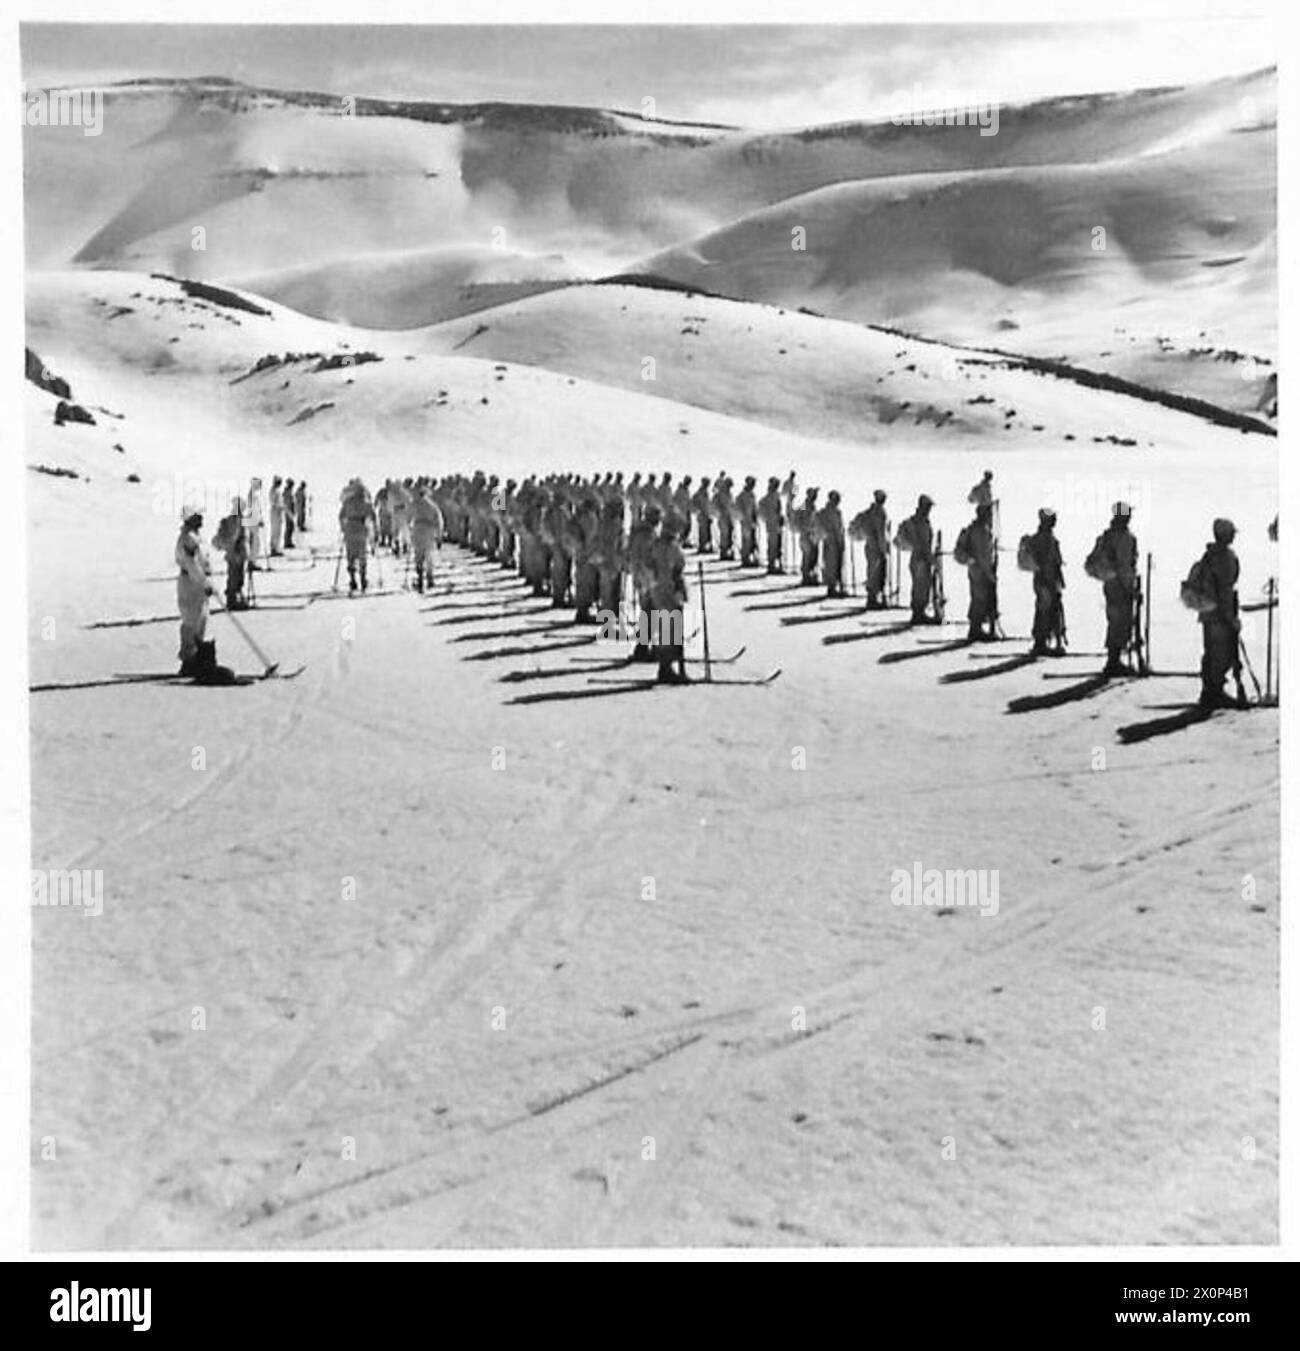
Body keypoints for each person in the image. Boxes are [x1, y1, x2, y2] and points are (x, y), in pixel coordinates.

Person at [1085, 502, 1139, 675]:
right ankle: (1113, 662)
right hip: (1121, 586)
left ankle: (1114, 659)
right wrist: (1130, 588)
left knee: (1114, 620)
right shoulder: (1124, 538)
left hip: (1110, 583)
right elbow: (1124, 565)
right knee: (1121, 623)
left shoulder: (1107, 535)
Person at [1195, 518, 1242, 709]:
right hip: (1220, 613)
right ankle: (1215, 692)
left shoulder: (1209, 555)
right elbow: (1224, 589)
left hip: (1208, 612)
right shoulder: (1225, 557)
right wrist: (1230, 618)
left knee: (1211, 653)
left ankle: (1210, 691)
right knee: (1221, 654)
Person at [648, 512, 689, 684]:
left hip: (658, 589)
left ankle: (667, 666)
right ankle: (666, 668)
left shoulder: (656, 544)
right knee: (670, 629)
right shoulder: (671, 546)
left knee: (667, 627)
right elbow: (677, 569)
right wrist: (680, 590)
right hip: (669, 590)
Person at [1020, 509, 1065, 655]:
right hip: (1045, 580)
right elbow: (1049, 562)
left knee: (1047, 609)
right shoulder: (1045, 540)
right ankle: (1040, 642)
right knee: (1045, 610)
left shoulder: (1044, 538)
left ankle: (1043, 641)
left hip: (1045, 580)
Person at [176, 506, 213, 674]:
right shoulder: (188, 539)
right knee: (191, 619)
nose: (201, 519)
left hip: (199, 582)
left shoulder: (196, 538)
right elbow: (192, 564)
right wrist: (203, 582)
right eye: (197, 516)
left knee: (201, 618)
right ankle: (188, 659)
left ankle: (198, 656)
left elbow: (203, 561)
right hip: (191, 583)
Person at [956, 502, 997, 640]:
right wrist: (988, 573)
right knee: (979, 599)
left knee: (981, 599)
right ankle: (975, 629)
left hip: (981, 570)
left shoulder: (983, 530)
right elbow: (979, 554)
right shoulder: (977, 531)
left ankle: (977, 627)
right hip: (979, 571)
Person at [896, 494, 937, 624]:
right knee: (920, 587)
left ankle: (920, 612)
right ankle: (918, 614)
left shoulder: (923, 521)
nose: (929, 510)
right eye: (928, 507)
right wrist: (930, 558)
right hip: (920, 559)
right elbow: (922, 544)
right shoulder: (918, 522)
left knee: (923, 586)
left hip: (922, 558)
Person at [850, 489, 891, 609]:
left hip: (869, 546)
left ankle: (873, 598)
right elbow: (881, 533)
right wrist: (884, 549)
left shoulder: (869, 512)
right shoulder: (880, 513)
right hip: (877, 547)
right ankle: (873, 599)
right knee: (877, 573)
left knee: (872, 571)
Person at [338, 479, 377, 593]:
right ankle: (363, 579)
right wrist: (375, 533)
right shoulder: (366, 504)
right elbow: (373, 518)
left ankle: (353, 579)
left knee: (350, 555)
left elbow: (341, 516)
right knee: (362, 555)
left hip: (350, 529)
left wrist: (343, 528)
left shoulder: (348, 502)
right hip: (361, 529)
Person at [211, 499, 250, 611]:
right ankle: (232, 601)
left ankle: (234, 599)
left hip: (237, 553)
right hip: (236, 553)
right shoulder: (236, 520)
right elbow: (234, 537)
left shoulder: (237, 519)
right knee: (235, 577)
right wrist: (236, 550)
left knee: (237, 577)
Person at [410, 486, 445, 594]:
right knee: (429, 554)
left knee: (418, 553)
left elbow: (407, 517)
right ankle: (430, 577)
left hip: (417, 529)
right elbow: (439, 521)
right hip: (429, 530)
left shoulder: (414, 504)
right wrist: (439, 536)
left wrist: (409, 530)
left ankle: (420, 576)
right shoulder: (433, 505)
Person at [817, 490, 847, 598]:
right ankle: (832, 588)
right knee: (833, 565)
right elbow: (838, 529)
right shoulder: (833, 512)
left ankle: (834, 586)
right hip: (833, 542)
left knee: (832, 564)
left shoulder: (825, 511)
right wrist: (840, 542)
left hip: (829, 541)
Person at [794, 487, 821, 585]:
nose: (816, 496)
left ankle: (811, 576)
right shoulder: (805, 506)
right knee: (808, 557)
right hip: (806, 535)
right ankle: (806, 577)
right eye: (814, 494)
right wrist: (806, 529)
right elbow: (800, 519)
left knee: (812, 557)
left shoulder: (811, 506)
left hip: (812, 535)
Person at [758, 476, 784, 573]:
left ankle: (778, 565)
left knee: (778, 546)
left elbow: (780, 509)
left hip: (778, 525)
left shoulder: (777, 496)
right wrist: (767, 518)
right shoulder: (767, 498)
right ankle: (771, 565)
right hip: (772, 525)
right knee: (773, 546)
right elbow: (761, 510)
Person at [735, 476, 760, 567]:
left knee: (753, 541)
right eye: (752, 483)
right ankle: (745, 559)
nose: (753, 485)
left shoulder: (752, 495)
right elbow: (737, 509)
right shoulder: (741, 496)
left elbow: (755, 509)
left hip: (752, 522)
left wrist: (756, 519)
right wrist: (742, 519)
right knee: (746, 541)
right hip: (745, 522)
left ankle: (751, 558)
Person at [247, 477, 266, 569]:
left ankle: (252, 561)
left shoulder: (252, 494)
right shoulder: (254, 496)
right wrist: (259, 520)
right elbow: (254, 510)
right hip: (253, 522)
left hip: (252, 521)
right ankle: (252, 562)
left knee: (254, 543)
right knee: (255, 543)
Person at [692, 477, 714, 554]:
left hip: (706, 515)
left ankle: (706, 547)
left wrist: (710, 514)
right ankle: (702, 547)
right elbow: (693, 503)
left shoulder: (706, 493)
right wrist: (698, 511)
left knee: (707, 533)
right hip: (702, 515)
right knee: (703, 533)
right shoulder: (699, 493)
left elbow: (708, 505)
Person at [269, 475, 284, 556]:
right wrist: (280, 506)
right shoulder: (274, 491)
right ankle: (274, 549)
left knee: (277, 532)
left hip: (277, 512)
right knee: (275, 531)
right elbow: (275, 502)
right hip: (275, 512)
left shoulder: (276, 490)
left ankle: (275, 548)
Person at [282, 478, 296, 549]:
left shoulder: (289, 492)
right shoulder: (287, 492)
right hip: (288, 512)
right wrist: (290, 513)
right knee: (289, 527)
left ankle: (289, 541)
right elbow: (288, 503)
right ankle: (287, 542)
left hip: (290, 512)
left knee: (291, 527)